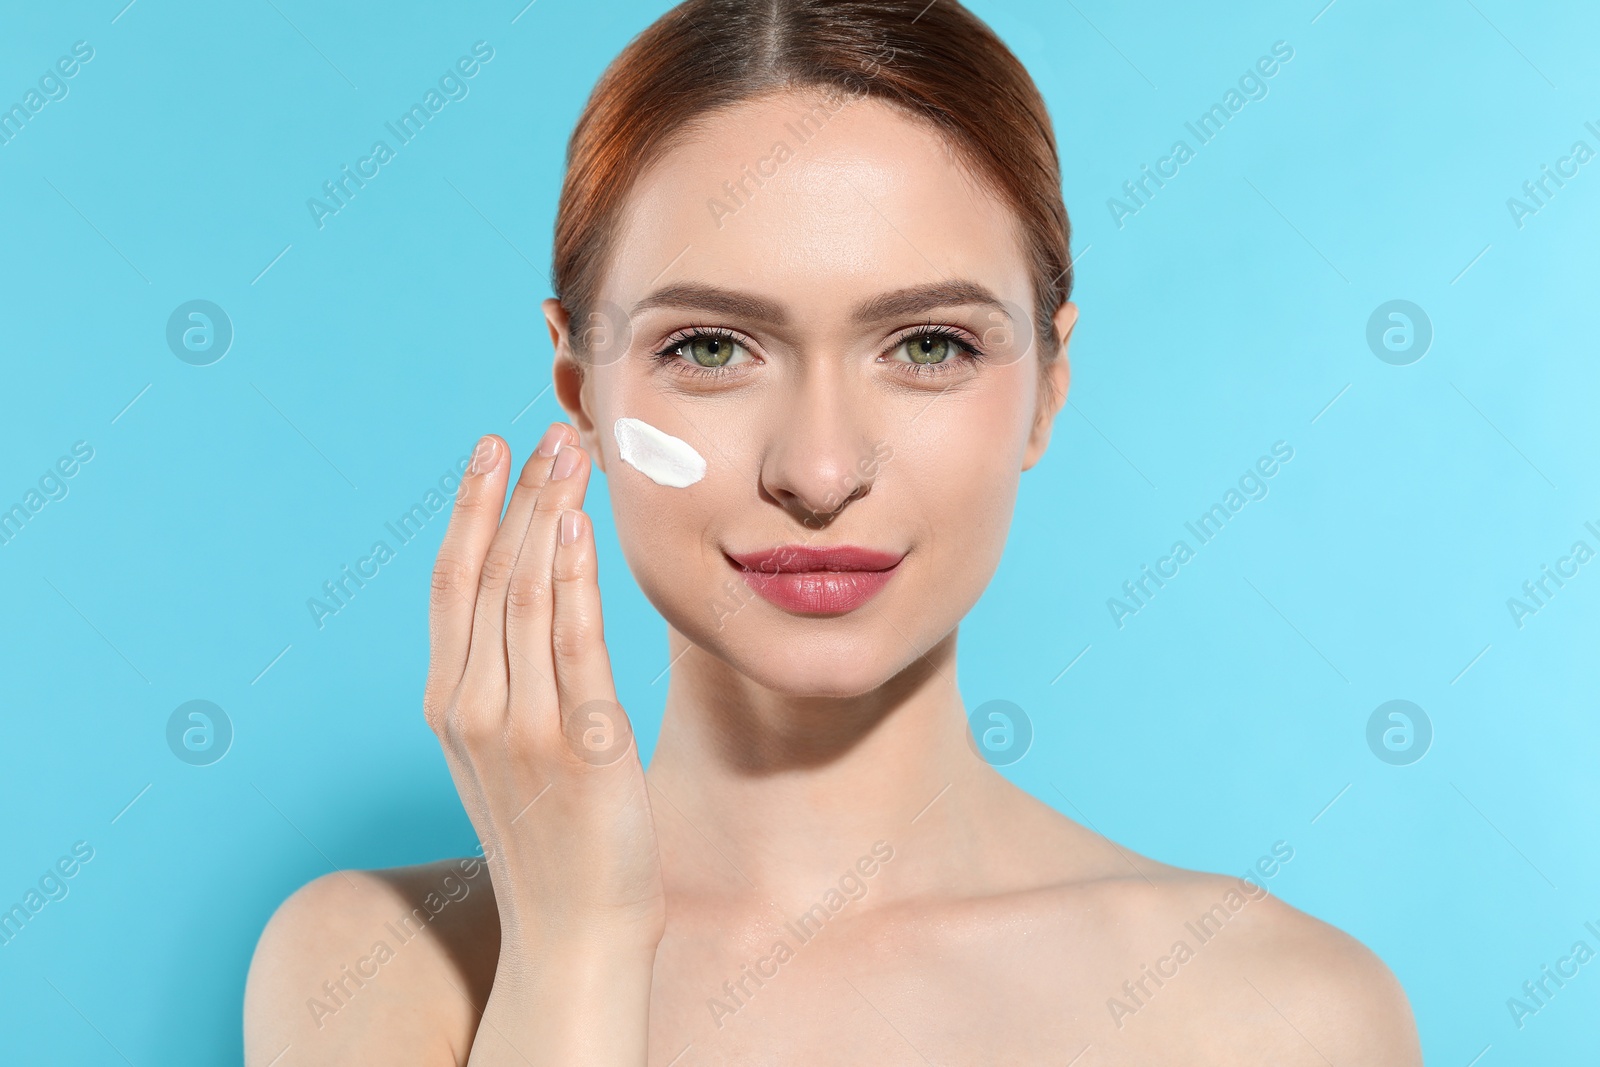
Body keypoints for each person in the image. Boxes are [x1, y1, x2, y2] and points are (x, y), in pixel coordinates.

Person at [244, 1, 1423, 1062]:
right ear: (578, 389)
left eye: (927, 346)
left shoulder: (1272, 1011)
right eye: (709, 348)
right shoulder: (377, 966)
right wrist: (576, 944)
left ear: (1048, 390)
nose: (817, 471)